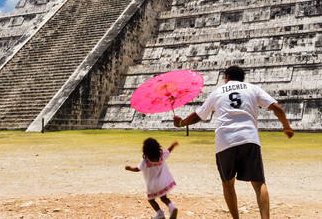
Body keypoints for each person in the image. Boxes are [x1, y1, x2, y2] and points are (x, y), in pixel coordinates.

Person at [173, 65, 293, 219]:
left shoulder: (218, 92)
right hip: (249, 138)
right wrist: (286, 127)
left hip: (225, 141)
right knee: (258, 183)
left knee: (228, 183)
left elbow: (198, 116)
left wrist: (182, 123)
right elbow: (277, 108)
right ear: (242, 78)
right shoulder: (252, 88)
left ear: (227, 78)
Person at [125, 138, 179, 219]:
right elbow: (169, 150)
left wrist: (130, 168)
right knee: (164, 197)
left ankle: (160, 213)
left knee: (151, 199)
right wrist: (173, 145)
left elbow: (138, 169)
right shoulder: (162, 155)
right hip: (163, 183)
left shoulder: (145, 161)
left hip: (153, 185)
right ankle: (172, 208)